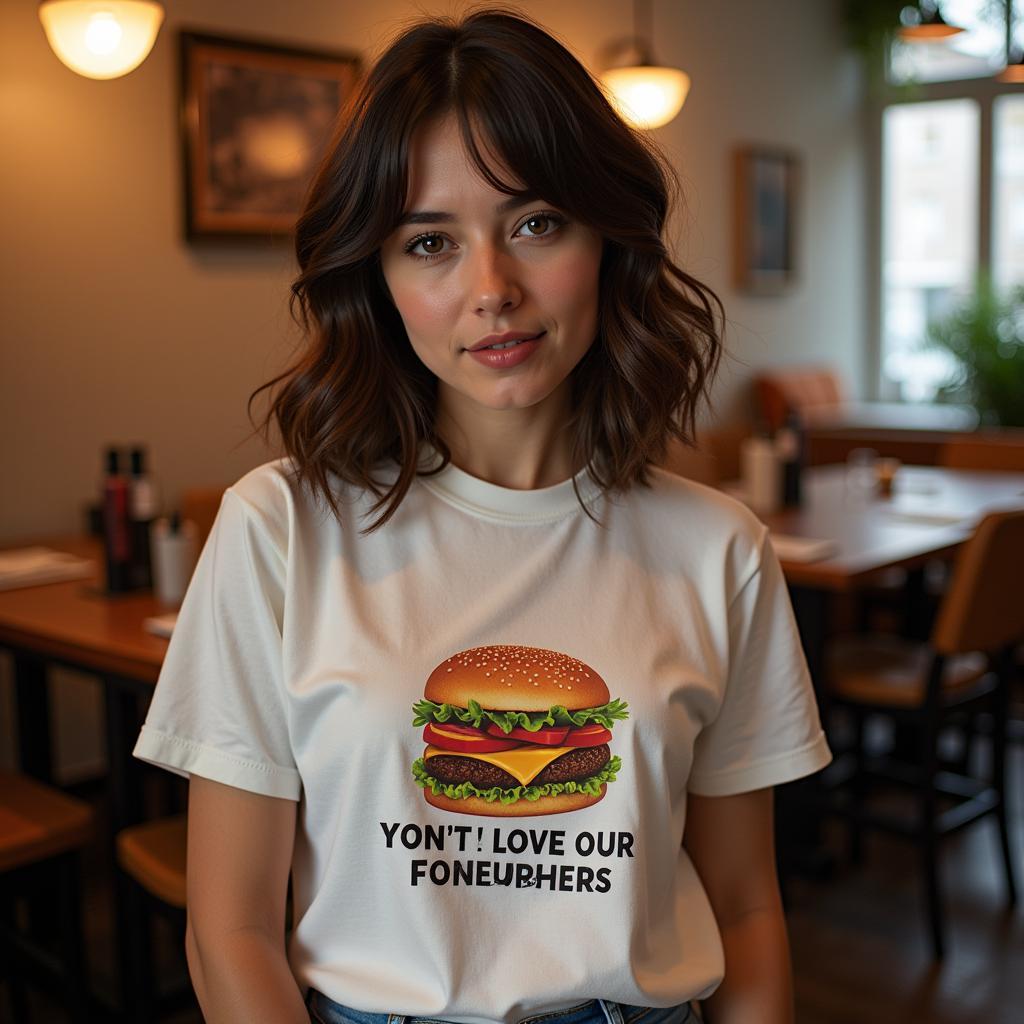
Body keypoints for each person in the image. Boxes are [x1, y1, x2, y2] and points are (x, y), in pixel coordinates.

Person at [133, 7, 831, 1024]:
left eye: (535, 223)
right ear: (378, 277)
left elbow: (746, 906)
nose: (491, 289)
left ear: (605, 237)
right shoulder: (279, 527)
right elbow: (230, 929)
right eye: (429, 242)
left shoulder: (718, 547)